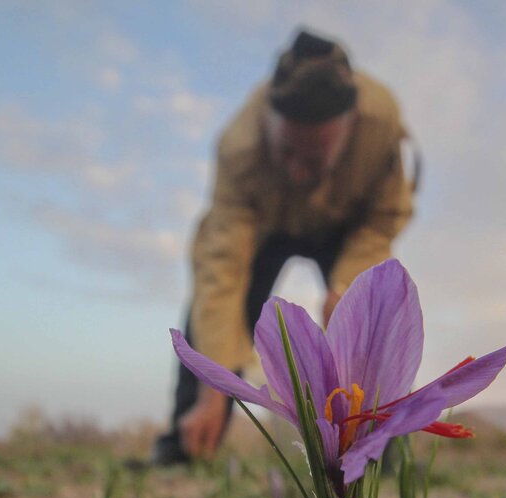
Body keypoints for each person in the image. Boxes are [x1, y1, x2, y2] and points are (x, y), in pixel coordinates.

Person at [152, 28, 417, 465]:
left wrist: (348, 285)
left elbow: (381, 220)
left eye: (313, 158)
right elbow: (222, 269)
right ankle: (191, 435)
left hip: (342, 229)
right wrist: (213, 389)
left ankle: (376, 452)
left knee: (369, 311)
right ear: (270, 124)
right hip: (267, 230)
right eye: (286, 152)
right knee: (213, 302)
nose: (296, 171)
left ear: (348, 129)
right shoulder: (239, 146)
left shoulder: (381, 122)